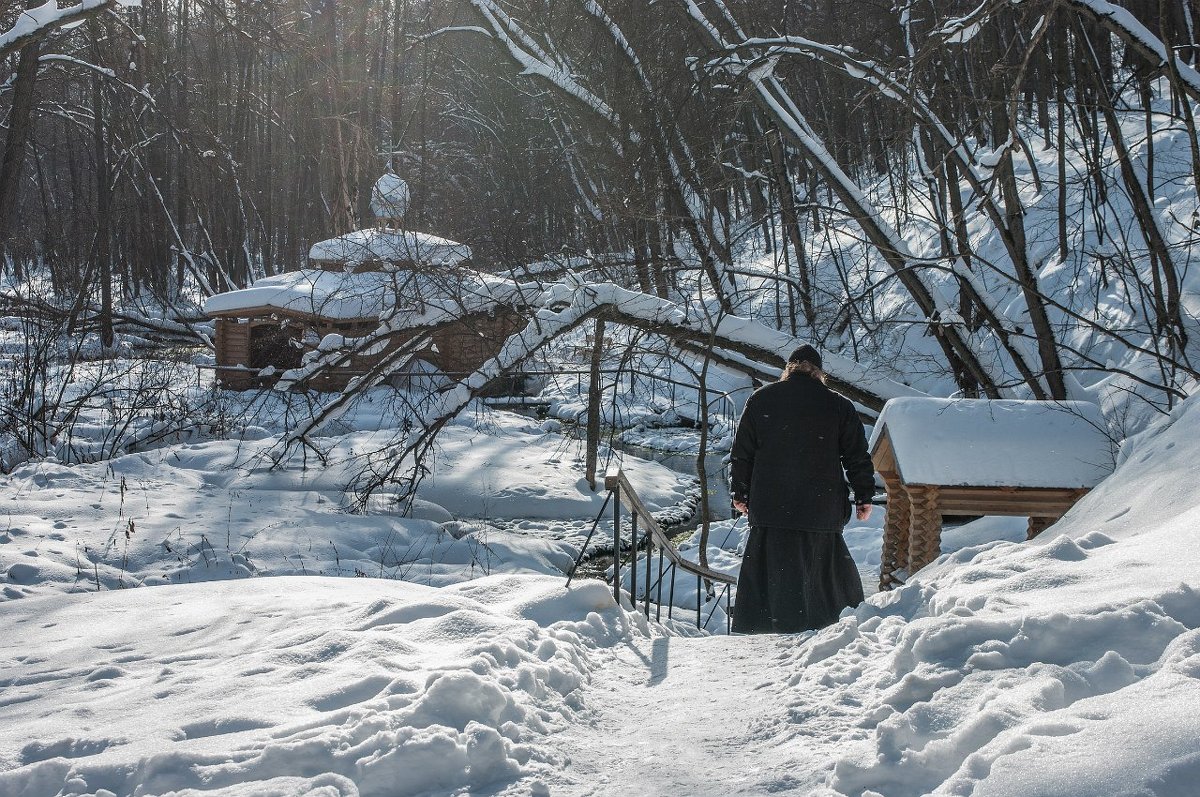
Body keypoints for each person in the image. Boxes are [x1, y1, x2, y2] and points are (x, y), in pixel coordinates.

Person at [729, 344, 876, 634]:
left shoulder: (762, 400)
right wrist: (864, 496)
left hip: (772, 504)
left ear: (788, 369)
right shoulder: (838, 405)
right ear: (820, 373)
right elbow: (857, 455)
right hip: (820, 506)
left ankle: (765, 624)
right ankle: (830, 624)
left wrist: (740, 492)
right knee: (825, 571)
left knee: (771, 566)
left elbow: (742, 452)